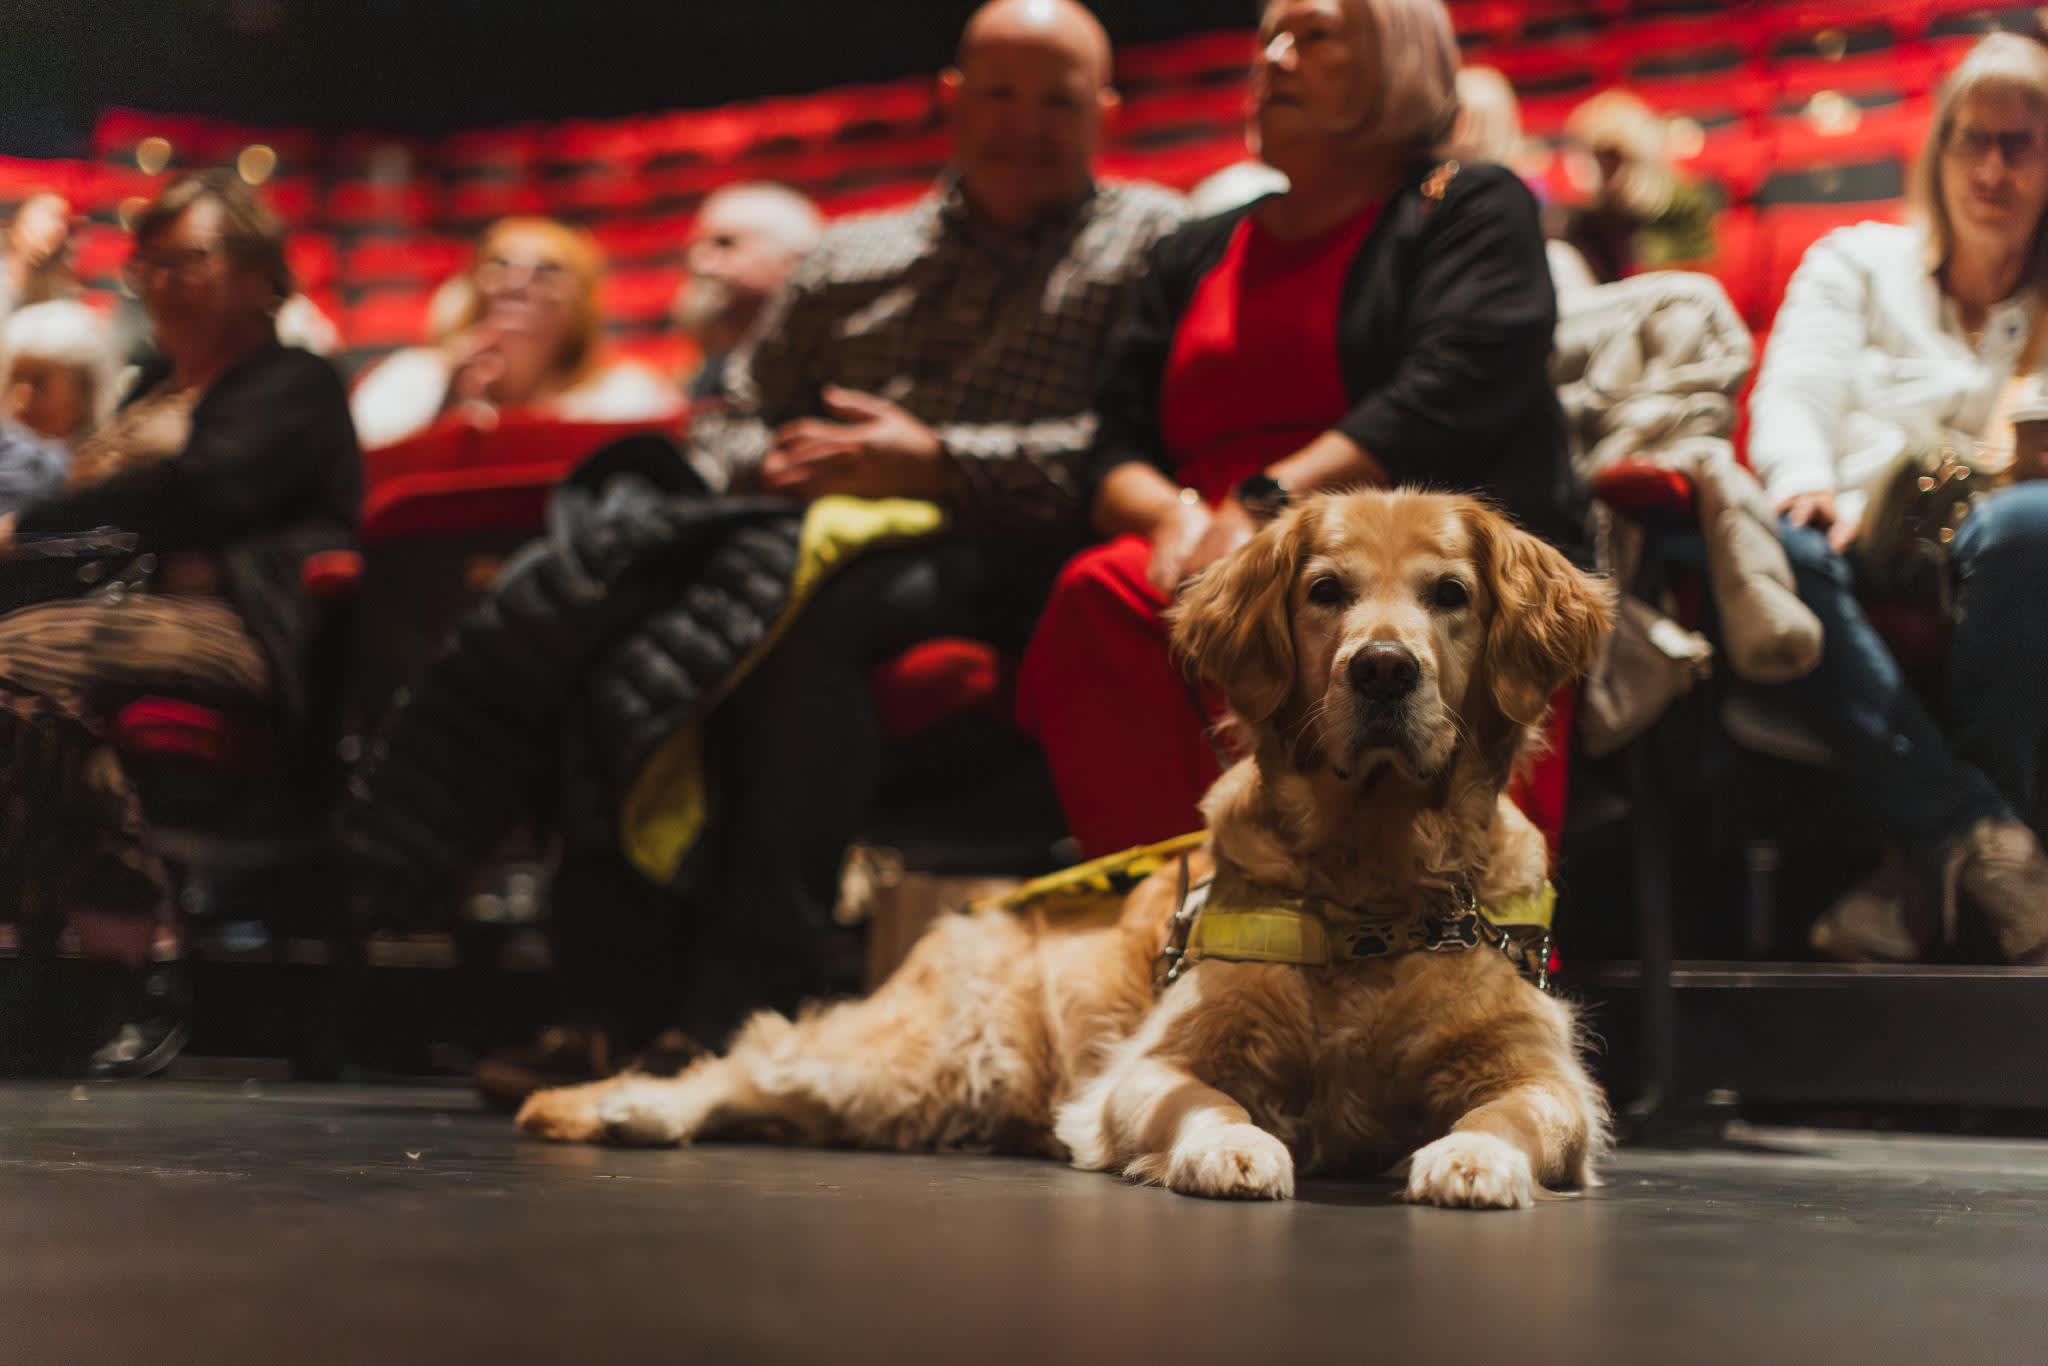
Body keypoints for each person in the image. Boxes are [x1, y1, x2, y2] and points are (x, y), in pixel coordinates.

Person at [418, 0, 1185, 1104]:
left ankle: (740, 1006)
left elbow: (1131, 450)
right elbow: (726, 424)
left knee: (800, 621)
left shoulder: (1150, 243)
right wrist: (773, 465)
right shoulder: (844, 256)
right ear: (950, 101)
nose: (1026, 123)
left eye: (1057, 99)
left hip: (1010, 554)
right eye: (1001, 94)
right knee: (608, 616)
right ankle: (602, 1010)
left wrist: (937, 460)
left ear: (1104, 112)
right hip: (800, 541)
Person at [1015, 0, 1580, 858]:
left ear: (1401, 61)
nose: (1273, 59)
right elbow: (1112, 443)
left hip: (1395, 543)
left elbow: (1450, 390)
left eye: (1313, 38)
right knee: (1101, 590)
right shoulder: (1194, 248)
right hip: (1207, 542)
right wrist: (1174, 519)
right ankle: (1170, 914)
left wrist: (1265, 506)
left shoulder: (1463, 202)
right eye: (1267, 41)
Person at [0, 171, 361, 1076]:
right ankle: (113, 972)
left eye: (187, 260)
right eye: (148, 263)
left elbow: (202, 491)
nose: (161, 281)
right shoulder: (153, 388)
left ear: (258, 276)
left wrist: (24, 528)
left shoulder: (291, 380)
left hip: (236, 631)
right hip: (119, 625)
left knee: (9, 668)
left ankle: (137, 956)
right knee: (43, 701)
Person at [1750, 33, 2048, 965]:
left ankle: (1924, 881)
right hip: (1850, 528)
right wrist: (1803, 483)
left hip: (2000, 548)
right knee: (1776, 550)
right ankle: (1976, 839)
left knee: (2024, 530)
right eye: (1973, 140)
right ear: (1939, 150)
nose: (1992, 169)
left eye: (2021, 143)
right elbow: (1793, 392)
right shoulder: (1856, 262)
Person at [348, 216, 677, 447]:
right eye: (500, 266)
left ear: (583, 300)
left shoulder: (629, 394)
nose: (518, 283)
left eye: (548, 270)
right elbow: (367, 471)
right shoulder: (409, 378)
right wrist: (442, 417)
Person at [670, 182, 822, 400]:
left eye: (725, 244)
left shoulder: (829, 361)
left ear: (792, 256)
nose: (699, 263)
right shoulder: (710, 366)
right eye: (696, 246)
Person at [1550, 89, 1716, 284]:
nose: (1604, 167)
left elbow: (1698, 268)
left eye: (1612, 156)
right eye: (1597, 156)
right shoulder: (1592, 217)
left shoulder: (1683, 202)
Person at [3, 298, 121, 447]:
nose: (21, 401)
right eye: (14, 381)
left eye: (38, 382)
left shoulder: (119, 464)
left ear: (83, 386)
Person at [0, 191, 80, 324]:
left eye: (64, 221)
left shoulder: (57, 284)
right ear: (22, 219)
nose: (60, 228)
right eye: (52, 216)